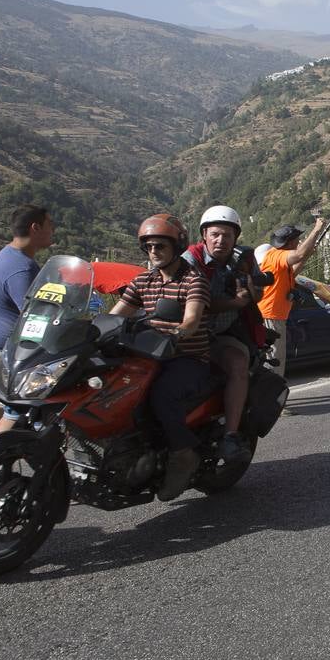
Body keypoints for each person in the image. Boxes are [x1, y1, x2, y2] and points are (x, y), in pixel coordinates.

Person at [109, 215, 211, 501]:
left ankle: (183, 453)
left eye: (160, 246)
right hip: (150, 355)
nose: (153, 251)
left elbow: (191, 319)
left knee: (162, 395)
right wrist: (91, 330)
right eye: (149, 246)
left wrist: (178, 334)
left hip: (187, 357)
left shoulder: (194, 280)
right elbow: (117, 314)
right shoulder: (144, 279)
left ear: (176, 247)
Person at [182, 205, 266, 464]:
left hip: (219, 334)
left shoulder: (244, 258)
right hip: (186, 334)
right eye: (215, 234)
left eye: (227, 235)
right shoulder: (189, 261)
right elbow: (192, 303)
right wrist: (234, 303)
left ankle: (230, 435)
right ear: (204, 235)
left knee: (238, 363)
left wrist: (250, 291)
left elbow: (258, 292)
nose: (221, 240)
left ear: (235, 237)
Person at [0, 204, 54, 432]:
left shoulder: (10, 255)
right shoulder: (21, 268)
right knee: (19, 410)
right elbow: (34, 315)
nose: (53, 230)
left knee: (18, 410)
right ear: (35, 228)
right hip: (9, 352)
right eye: (50, 225)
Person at [257, 216, 327, 379]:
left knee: (274, 358)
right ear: (289, 243)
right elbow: (299, 254)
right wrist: (317, 229)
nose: (299, 242)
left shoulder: (278, 258)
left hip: (273, 316)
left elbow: (294, 270)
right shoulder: (278, 256)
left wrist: (307, 254)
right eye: (297, 240)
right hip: (271, 316)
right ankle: (272, 391)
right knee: (275, 359)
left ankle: (272, 388)